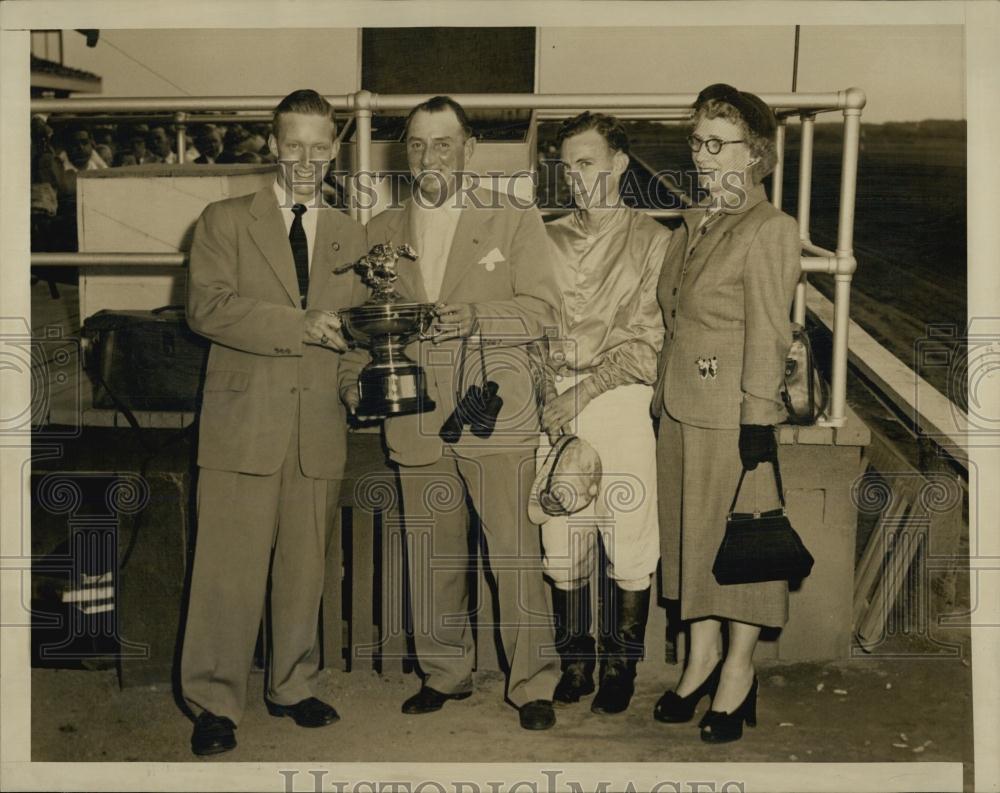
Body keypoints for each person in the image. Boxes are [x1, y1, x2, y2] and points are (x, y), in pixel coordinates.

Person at [340, 95, 563, 731]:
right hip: (412, 414)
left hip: (494, 410)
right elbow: (359, 327)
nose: (429, 156)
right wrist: (353, 382)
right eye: (416, 144)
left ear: (468, 150)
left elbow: (546, 312)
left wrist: (476, 318)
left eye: (443, 144)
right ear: (402, 153)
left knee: (514, 555)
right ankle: (444, 672)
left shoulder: (513, 219)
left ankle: (532, 683)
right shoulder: (379, 230)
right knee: (430, 554)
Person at [180, 88, 368, 756]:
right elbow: (207, 307)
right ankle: (212, 699)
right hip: (242, 424)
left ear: (336, 149)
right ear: (273, 143)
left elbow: (359, 336)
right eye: (295, 145)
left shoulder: (352, 232)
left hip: (317, 424)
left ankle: (291, 683)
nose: (307, 159)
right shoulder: (224, 219)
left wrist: (355, 387)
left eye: (321, 146)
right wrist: (300, 324)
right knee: (226, 571)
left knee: (304, 569)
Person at [651, 84, 801, 743]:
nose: (704, 156)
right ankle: (699, 657)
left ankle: (737, 672)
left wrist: (758, 423)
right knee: (691, 540)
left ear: (756, 155)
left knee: (741, 546)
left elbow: (769, 331)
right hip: (680, 409)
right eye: (698, 142)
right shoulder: (694, 223)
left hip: (732, 416)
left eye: (719, 144)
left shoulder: (770, 229)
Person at [538, 112, 670, 715]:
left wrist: (583, 392)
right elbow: (529, 323)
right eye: (567, 166)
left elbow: (646, 343)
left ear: (619, 164)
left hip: (618, 400)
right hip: (554, 401)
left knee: (629, 536)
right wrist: (548, 390)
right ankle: (575, 662)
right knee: (561, 537)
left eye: (586, 163)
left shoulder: (653, 239)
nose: (575, 176)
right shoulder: (546, 236)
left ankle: (621, 667)